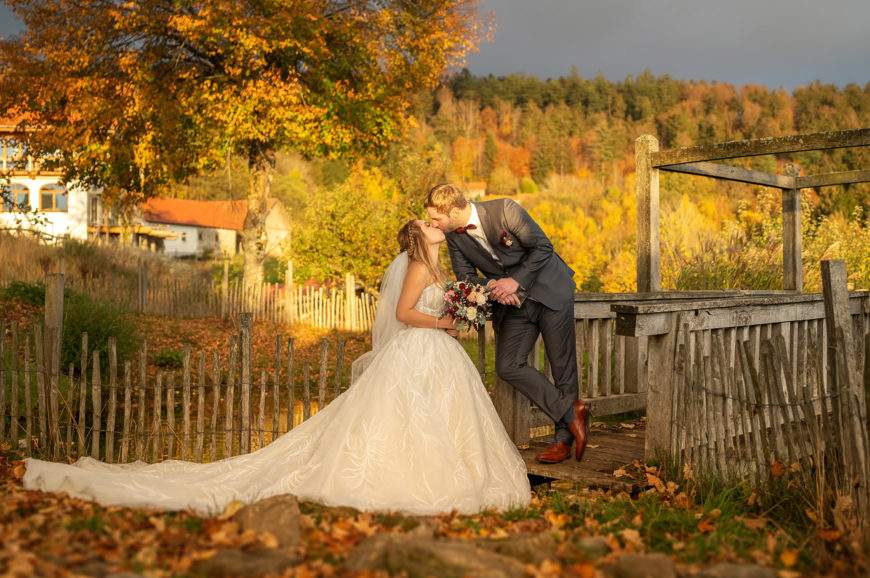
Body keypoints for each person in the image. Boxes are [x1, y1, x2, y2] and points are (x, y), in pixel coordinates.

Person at [21, 219, 531, 517]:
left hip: (433, 354)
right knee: (403, 421)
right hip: (422, 348)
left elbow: (427, 308)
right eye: (428, 225)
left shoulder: (436, 267)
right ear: (417, 239)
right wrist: (445, 324)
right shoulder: (419, 265)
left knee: (430, 420)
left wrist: (461, 310)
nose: (436, 227)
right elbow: (403, 315)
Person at [425, 184, 589, 464]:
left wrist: (515, 281)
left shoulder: (505, 209)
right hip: (511, 306)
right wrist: (493, 285)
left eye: (436, 218)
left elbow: (543, 248)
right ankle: (571, 412)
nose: (433, 224)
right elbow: (465, 276)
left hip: (551, 291)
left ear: (453, 211)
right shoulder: (454, 236)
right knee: (508, 366)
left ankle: (562, 440)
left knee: (563, 367)